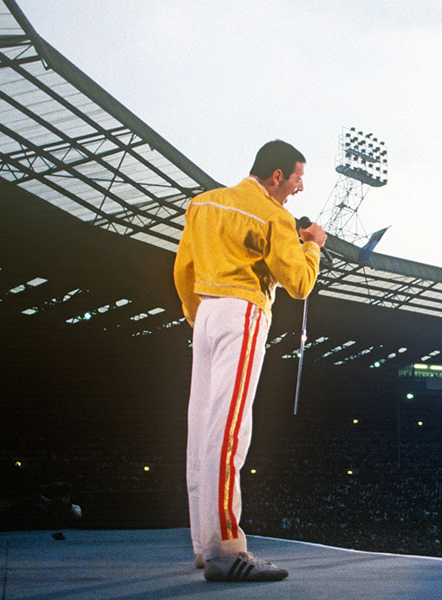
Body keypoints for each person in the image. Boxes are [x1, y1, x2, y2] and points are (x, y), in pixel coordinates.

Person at [174, 140, 326, 582]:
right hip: (243, 313)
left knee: (201, 429)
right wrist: (311, 246)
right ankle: (225, 549)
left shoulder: (202, 204)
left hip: (204, 313)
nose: (300, 187)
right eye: (298, 177)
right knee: (229, 430)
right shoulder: (275, 215)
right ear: (277, 176)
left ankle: (205, 547)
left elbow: (183, 271)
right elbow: (298, 283)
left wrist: (200, 315)